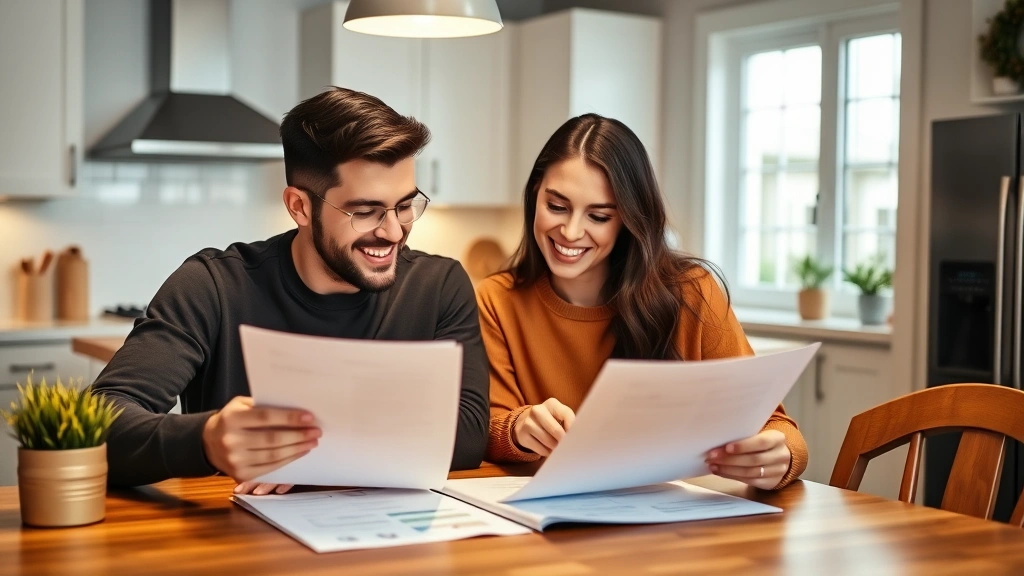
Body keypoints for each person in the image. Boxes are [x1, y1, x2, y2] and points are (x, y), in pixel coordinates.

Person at [92, 87, 489, 494]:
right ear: (299, 206)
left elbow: (468, 435)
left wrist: (315, 454)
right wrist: (206, 440)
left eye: (405, 206)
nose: (392, 231)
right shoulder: (213, 286)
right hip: (239, 538)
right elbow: (99, 422)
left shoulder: (439, 287)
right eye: (366, 212)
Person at [477, 113, 807, 489]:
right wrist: (518, 427)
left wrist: (778, 457)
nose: (570, 232)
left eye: (599, 216)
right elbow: (486, 427)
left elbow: (777, 427)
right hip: (552, 528)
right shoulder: (496, 299)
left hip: (674, 528)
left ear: (628, 221)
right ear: (535, 195)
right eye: (556, 206)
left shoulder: (691, 292)